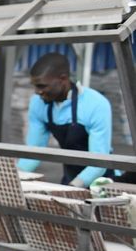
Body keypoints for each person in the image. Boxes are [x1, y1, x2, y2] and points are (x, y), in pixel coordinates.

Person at [18, 52, 113, 187]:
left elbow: (99, 163)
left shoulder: (95, 104)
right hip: (70, 176)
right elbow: (34, 151)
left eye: (42, 86)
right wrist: (14, 177)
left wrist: (72, 188)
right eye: (35, 86)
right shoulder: (38, 103)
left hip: (102, 181)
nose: (37, 92)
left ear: (63, 79)